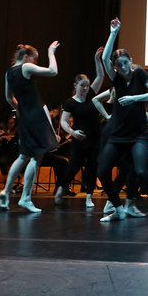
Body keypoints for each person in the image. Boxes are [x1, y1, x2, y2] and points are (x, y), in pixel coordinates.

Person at [97, 18, 148, 225]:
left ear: (131, 61)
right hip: (118, 134)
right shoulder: (117, 78)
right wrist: (113, 32)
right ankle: (118, 209)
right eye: (118, 65)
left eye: (125, 63)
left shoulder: (139, 74)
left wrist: (135, 98)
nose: (122, 67)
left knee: (139, 170)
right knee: (102, 172)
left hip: (137, 134)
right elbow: (104, 60)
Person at [0, 42, 60, 212]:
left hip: (25, 117)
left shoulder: (9, 72)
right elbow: (53, 71)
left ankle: (6, 191)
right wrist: (51, 52)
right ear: (26, 57)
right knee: (36, 156)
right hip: (36, 115)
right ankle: (25, 198)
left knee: (23, 156)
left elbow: (9, 98)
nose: (34, 63)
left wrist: (22, 110)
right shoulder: (25, 67)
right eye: (35, 60)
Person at [55, 47, 105, 208]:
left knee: (92, 167)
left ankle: (89, 196)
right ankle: (61, 187)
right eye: (82, 86)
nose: (85, 89)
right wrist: (72, 132)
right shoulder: (70, 102)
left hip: (95, 137)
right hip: (79, 138)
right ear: (75, 85)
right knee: (74, 166)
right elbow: (63, 121)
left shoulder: (91, 94)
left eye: (87, 86)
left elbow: (101, 76)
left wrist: (97, 59)